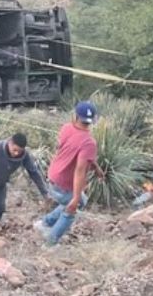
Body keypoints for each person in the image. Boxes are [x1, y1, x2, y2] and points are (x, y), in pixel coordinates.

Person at [36, 100, 106, 246]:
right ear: (92, 121)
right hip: (64, 185)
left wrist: (96, 168)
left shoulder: (66, 128)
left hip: (53, 177)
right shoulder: (89, 142)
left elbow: (76, 153)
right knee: (75, 205)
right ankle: (50, 244)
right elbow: (80, 171)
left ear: (75, 116)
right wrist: (74, 199)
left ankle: (44, 223)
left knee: (78, 200)